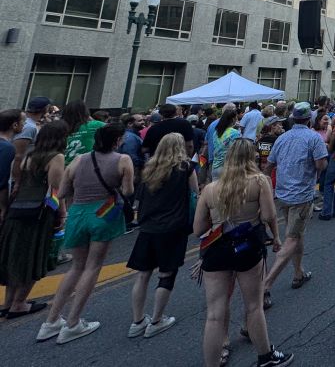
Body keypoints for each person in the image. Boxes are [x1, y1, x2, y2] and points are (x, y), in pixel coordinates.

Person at [194, 140, 290, 367]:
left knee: (215, 313)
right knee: (254, 306)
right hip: (247, 247)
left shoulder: (209, 189)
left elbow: (198, 229)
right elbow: (268, 215)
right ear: (251, 157)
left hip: (217, 249)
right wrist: (273, 235)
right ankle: (265, 356)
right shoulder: (259, 182)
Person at [40, 122, 134, 343]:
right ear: (117, 141)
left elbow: (62, 191)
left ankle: (51, 321)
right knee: (92, 267)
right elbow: (128, 190)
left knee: (76, 268)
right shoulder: (122, 160)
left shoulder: (79, 159)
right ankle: (73, 322)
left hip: (77, 213)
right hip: (104, 212)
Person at [125, 133, 197, 338]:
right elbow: (194, 195)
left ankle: (137, 320)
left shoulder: (149, 169)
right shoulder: (186, 168)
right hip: (173, 227)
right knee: (167, 273)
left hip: (148, 227)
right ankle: (157, 319)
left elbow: (140, 198)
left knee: (143, 274)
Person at [0, 121, 68, 319]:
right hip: (39, 212)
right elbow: (57, 189)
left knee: (15, 254)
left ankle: (8, 302)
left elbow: (17, 182)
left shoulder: (28, 156)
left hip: (18, 208)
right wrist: (61, 213)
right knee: (32, 255)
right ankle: (20, 303)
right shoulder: (56, 157)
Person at [262, 102, 328, 303]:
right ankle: (266, 284)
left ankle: (298, 272)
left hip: (283, 194)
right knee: (292, 239)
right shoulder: (313, 138)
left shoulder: (282, 138)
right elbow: (320, 164)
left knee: (296, 234)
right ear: (309, 119)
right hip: (301, 194)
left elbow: (269, 165)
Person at [13, 96, 50, 174]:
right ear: (45, 109)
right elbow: (18, 155)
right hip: (17, 171)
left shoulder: (29, 123)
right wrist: (16, 179)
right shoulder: (29, 127)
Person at [62, 101, 104, 166]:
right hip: (85, 167)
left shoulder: (60, 128)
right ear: (86, 112)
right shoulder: (94, 125)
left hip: (64, 167)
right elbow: (115, 129)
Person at [0, 109, 22, 223]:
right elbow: (1, 181)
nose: (24, 125)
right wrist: (3, 206)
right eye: (23, 122)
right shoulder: (8, 148)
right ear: (14, 125)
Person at [209, 106, 241, 181]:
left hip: (215, 167)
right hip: (228, 168)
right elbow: (237, 151)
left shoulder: (216, 133)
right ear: (233, 119)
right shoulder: (235, 133)